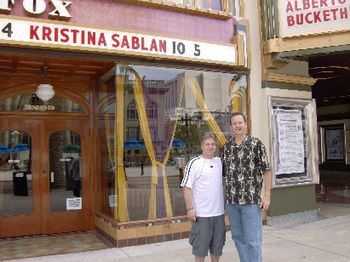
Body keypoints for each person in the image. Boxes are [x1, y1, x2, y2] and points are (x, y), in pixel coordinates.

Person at [222, 112, 272, 262]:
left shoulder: (256, 144)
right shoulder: (226, 147)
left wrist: (267, 195)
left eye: (240, 122)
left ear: (246, 124)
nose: (237, 126)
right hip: (232, 202)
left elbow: (266, 171)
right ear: (231, 126)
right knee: (238, 238)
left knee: (253, 241)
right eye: (234, 123)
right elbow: (224, 175)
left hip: (251, 201)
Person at [181, 132, 225, 262]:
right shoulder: (194, 163)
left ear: (215, 146)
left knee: (217, 249)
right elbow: (186, 188)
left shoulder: (220, 163)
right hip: (201, 216)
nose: (210, 147)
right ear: (202, 146)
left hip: (218, 215)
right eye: (207, 144)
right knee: (200, 250)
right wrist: (190, 209)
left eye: (212, 144)